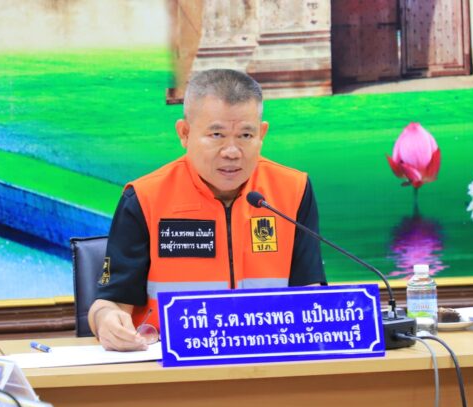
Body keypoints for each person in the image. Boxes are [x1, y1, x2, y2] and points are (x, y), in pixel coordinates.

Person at [88, 69, 326, 351]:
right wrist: (106, 321)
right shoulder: (145, 197)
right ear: (185, 133)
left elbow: (311, 294)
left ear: (262, 134)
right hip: (170, 363)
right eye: (216, 134)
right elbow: (110, 303)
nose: (232, 151)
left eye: (245, 135)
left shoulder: (293, 190)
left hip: (270, 355)